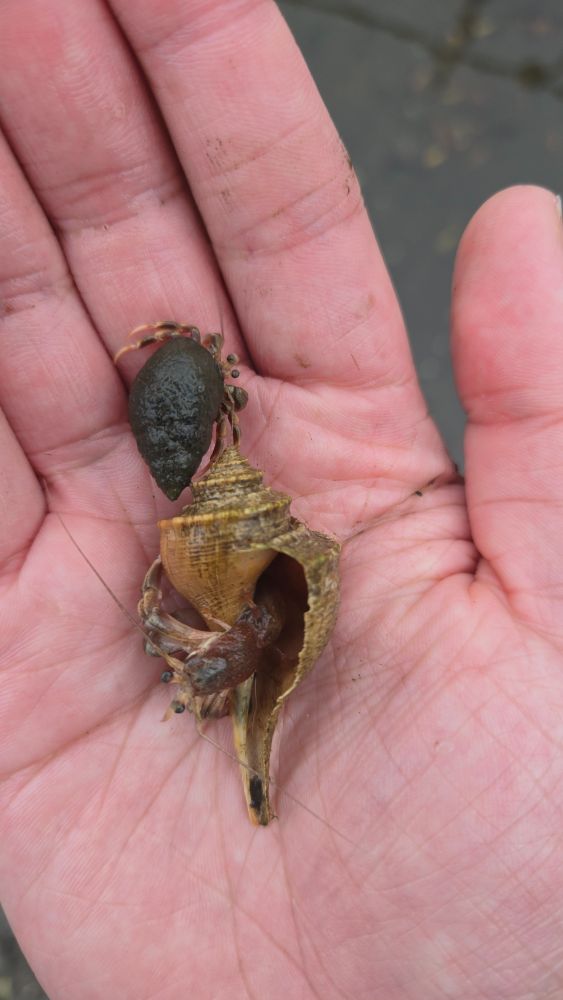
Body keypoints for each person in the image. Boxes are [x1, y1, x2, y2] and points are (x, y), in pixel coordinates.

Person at [0, 3, 561, 998]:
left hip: (229, 537)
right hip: (220, 525)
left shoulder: (234, 493)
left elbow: (192, 625)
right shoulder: (218, 462)